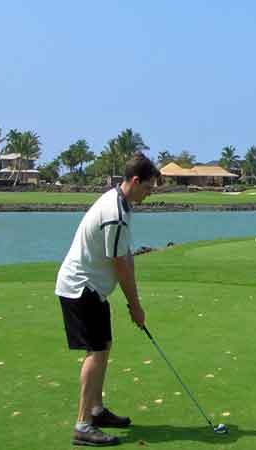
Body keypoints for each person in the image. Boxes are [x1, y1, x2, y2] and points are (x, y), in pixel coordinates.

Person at [55, 152, 159, 446]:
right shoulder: (115, 213)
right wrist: (135, 305)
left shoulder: (121, 204)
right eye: (148, 188)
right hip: (81, 288)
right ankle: (83, 425)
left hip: (92, 289)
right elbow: (119, 264)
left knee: (104, 346)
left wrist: (134, 298)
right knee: (96, 352)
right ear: (135, 181)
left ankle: (96, 410)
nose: (149, 195)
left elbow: (126, 256)